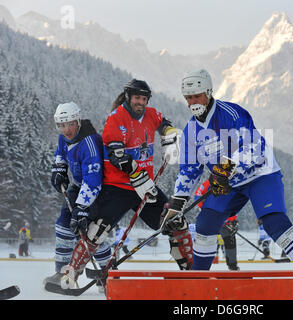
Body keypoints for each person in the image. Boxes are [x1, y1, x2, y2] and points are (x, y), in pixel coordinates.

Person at [160, 69, 293, 298]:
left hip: (261, 175)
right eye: (188, 98)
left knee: (275, 224)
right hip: (228, 184)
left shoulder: (231, 113)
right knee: (205, 224)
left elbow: (253, 148)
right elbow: (189, 171)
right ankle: (198, 283)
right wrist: (176, 205)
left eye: (197, 95)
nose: (193, 102)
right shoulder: (191, 130)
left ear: (209, 93)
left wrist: (225, 169)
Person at [60, 79, 192, 288]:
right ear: (129, 97)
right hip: (117, 186)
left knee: (175, 221)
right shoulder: (116, 118)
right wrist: (136, 173)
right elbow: (116, 154)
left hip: (145, 186)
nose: (140, 102)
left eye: (144, 98)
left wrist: (170, 134)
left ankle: (192, 272)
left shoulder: (151, 114)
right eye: (137, 97)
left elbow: (163, 123)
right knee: (96, 230)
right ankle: (71, 274)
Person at [44, 102, 111, 286]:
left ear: (78, 121)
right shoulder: (63, 139)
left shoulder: (89, 142)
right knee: (64, 227)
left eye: (70, 124)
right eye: (62, 125)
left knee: (92, 234)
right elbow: (60, 154)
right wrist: (59, 169)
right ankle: (63, 273)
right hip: (77, 186)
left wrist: (82, 207)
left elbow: (93, 179)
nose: (66, 129)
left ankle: (108, 275)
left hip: (96, 191)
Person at [194, 180, 240, 270]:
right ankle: (203, 268)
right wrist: (207, 210)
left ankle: (233, 266)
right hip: (210, 218)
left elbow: (235, 203)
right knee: (208, 242)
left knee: (230, 241)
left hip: (227, 221)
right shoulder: (208, 182)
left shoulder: (234, 183)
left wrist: (232, 220)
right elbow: (197, 195)